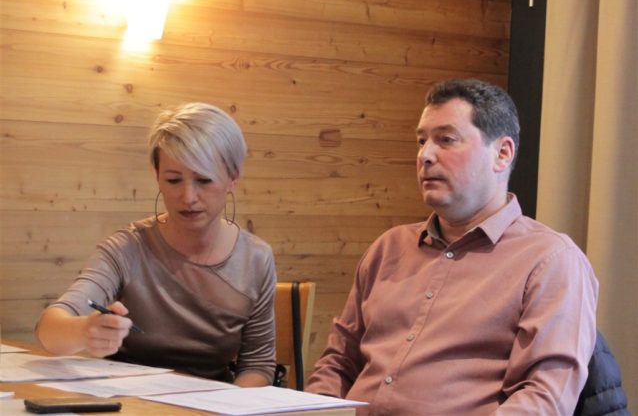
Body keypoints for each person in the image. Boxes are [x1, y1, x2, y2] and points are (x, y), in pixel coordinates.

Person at [305, 79, 599, 414]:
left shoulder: (550, 260)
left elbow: (543, 398)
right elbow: (337, 364)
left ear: (502, 154)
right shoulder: (388, 248)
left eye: (446, 140)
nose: (425, 155)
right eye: (421, 141)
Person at [36, 103, 276, 387]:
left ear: (232, 178)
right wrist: (84, 331)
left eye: (204, 180)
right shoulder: (127, 248)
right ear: (156, 175)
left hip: (214, 399)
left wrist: (229, 405)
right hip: (128, 398)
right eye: (173, 180)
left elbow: (258, 365)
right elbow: (49, 330)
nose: (188, 196)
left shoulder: (255, 259)